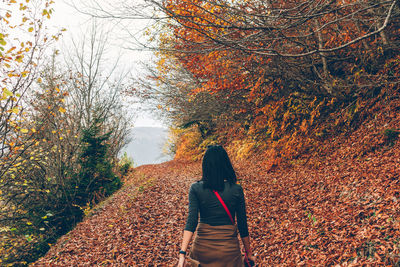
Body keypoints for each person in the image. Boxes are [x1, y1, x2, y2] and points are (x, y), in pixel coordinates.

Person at [177, 145, 256, 267]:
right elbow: (242, 224)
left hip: (202, 252)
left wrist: (182, 254)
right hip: (229, 254)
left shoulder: (196, 188)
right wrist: (248, 252)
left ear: (206, 165)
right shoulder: (236, 189)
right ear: (225, 164)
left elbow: (191, 221)